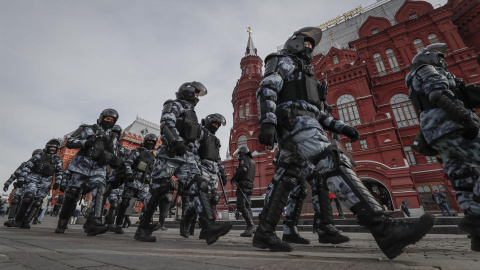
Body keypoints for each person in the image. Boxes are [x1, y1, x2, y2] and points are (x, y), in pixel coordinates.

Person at [253, 26, 436, 259]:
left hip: (304, 122)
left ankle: (264, 232)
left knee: (286, 178)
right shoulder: (283, 61)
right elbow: (267, 88)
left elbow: (318, 112)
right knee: (332, 160)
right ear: (295, 43)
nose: (309, 48)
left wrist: (342, 127)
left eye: (312, 46)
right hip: (294, 122)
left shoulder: (307, 74)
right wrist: (267, 121)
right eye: (306, 43)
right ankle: (384, 228)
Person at [135, 81, 233, 244]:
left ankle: (209, 227)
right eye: (196, 94)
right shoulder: (173, 105)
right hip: (169, 155)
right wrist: (176, 141)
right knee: (159, 189)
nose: (197, 98)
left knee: (199, 185)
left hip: (188, 159)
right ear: (188, 92)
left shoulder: (193, 115)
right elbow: (166, 123)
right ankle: (142, 228)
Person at [406, 43, 480, 251]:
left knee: (463, 179)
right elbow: (438, 94)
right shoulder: (428, 70)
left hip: (435, 134)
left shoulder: (414, 77)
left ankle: (477, 234)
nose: (443, 61)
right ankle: (476, 216)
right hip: (452, 125)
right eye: (439, 58)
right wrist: (466, 119)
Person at [55, 108, 122, 236]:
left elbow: (114, 154)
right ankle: (62, 222)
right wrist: (86, 142)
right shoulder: (87, 129)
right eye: (107, 118)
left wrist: (113, 159)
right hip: (80, 166)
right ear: (102, 118)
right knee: (72, 194)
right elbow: (70, 142)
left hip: (98, 168)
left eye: (112, 120)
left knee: (100, 190)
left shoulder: (112, 138)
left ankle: (94, 222)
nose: (109, 121)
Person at [180, 113, 228, 238]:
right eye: (214, 123)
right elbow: (193, 150)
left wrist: (222, 172)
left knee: (213, 199)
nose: (216, 126)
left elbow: (217, 158)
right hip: (202, 167)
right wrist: (196, 168)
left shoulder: (216, 140)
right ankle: (187, 221)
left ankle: (204, 230)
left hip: (214, 171)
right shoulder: (201, 133)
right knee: (202, 197)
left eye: (218, 125)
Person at [14, 139, 63, 229]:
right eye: (51, 147)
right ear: (47, 147)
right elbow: (28, 166)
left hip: (46, 182)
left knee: (37, 202)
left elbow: (59, 172)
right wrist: (21, 178)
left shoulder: (58, 160)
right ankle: (18, 219)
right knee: (28, 198)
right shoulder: (39, 156)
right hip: (33, 178)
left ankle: (26, 221)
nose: (52, 149)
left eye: (54, 148)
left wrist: (58, 182)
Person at [114, 133, 158, 234]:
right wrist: (129, 174)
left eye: (152, 142)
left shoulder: (153, 157)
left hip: (145, 184)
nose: (150, 143)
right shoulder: (137, 151)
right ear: (144, 141)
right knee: (125, 202)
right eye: (149, 141)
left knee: (149, 204)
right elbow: (128, 162)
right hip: (133, 181)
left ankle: (146, 224)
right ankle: (119, 224)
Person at [3, 149, 43, 227]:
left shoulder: (42, 167)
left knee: (29, 202)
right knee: (15, 200)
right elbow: (16, 173)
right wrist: (7, 183)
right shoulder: (25, 164)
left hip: (33, 187)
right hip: (22, 185)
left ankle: (24, 220)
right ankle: (11, 219)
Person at [231, 146, 256, 237]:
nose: (239, 155)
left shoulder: (245, 159)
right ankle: (250, 228)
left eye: (239, 153)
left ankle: (250, 226)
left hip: (243, 185)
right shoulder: (253, 162)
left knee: (240, 205)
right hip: (250, 186)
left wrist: (235, 177)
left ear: (243, 153)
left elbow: (243, 169)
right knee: (247, 206)